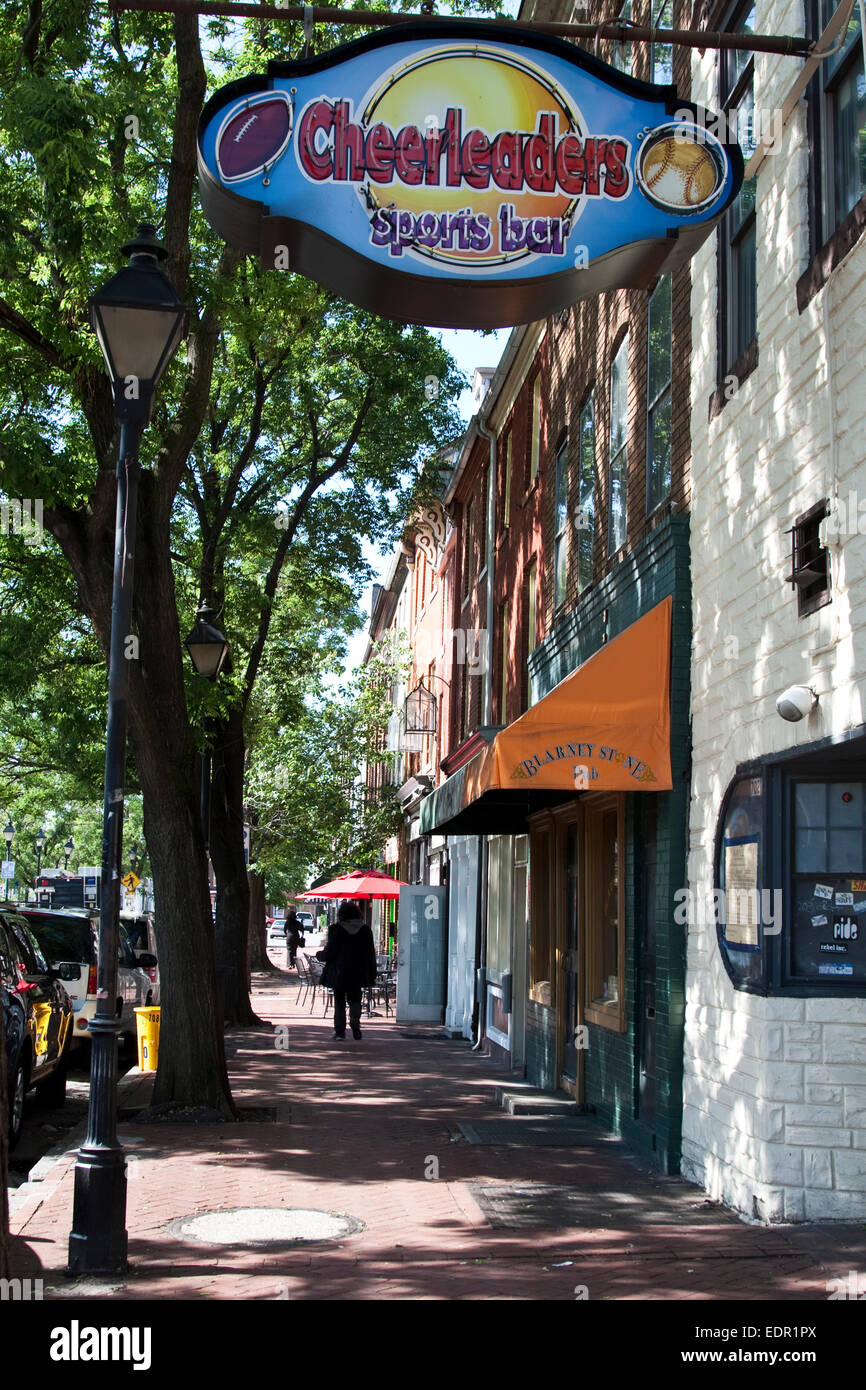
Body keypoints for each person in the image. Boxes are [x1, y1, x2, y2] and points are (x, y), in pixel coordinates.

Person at [317, 901, 377, 1040]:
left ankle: (339, 1032)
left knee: (339, 1002)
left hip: (340, 973)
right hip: (359, 972)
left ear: (341, 914)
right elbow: (370, 954)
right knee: (355, 999)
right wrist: (372, 972)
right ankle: (355, 1020)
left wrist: (319, 955)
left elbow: (329, 953)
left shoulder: (336, 929)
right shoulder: (366, 930)